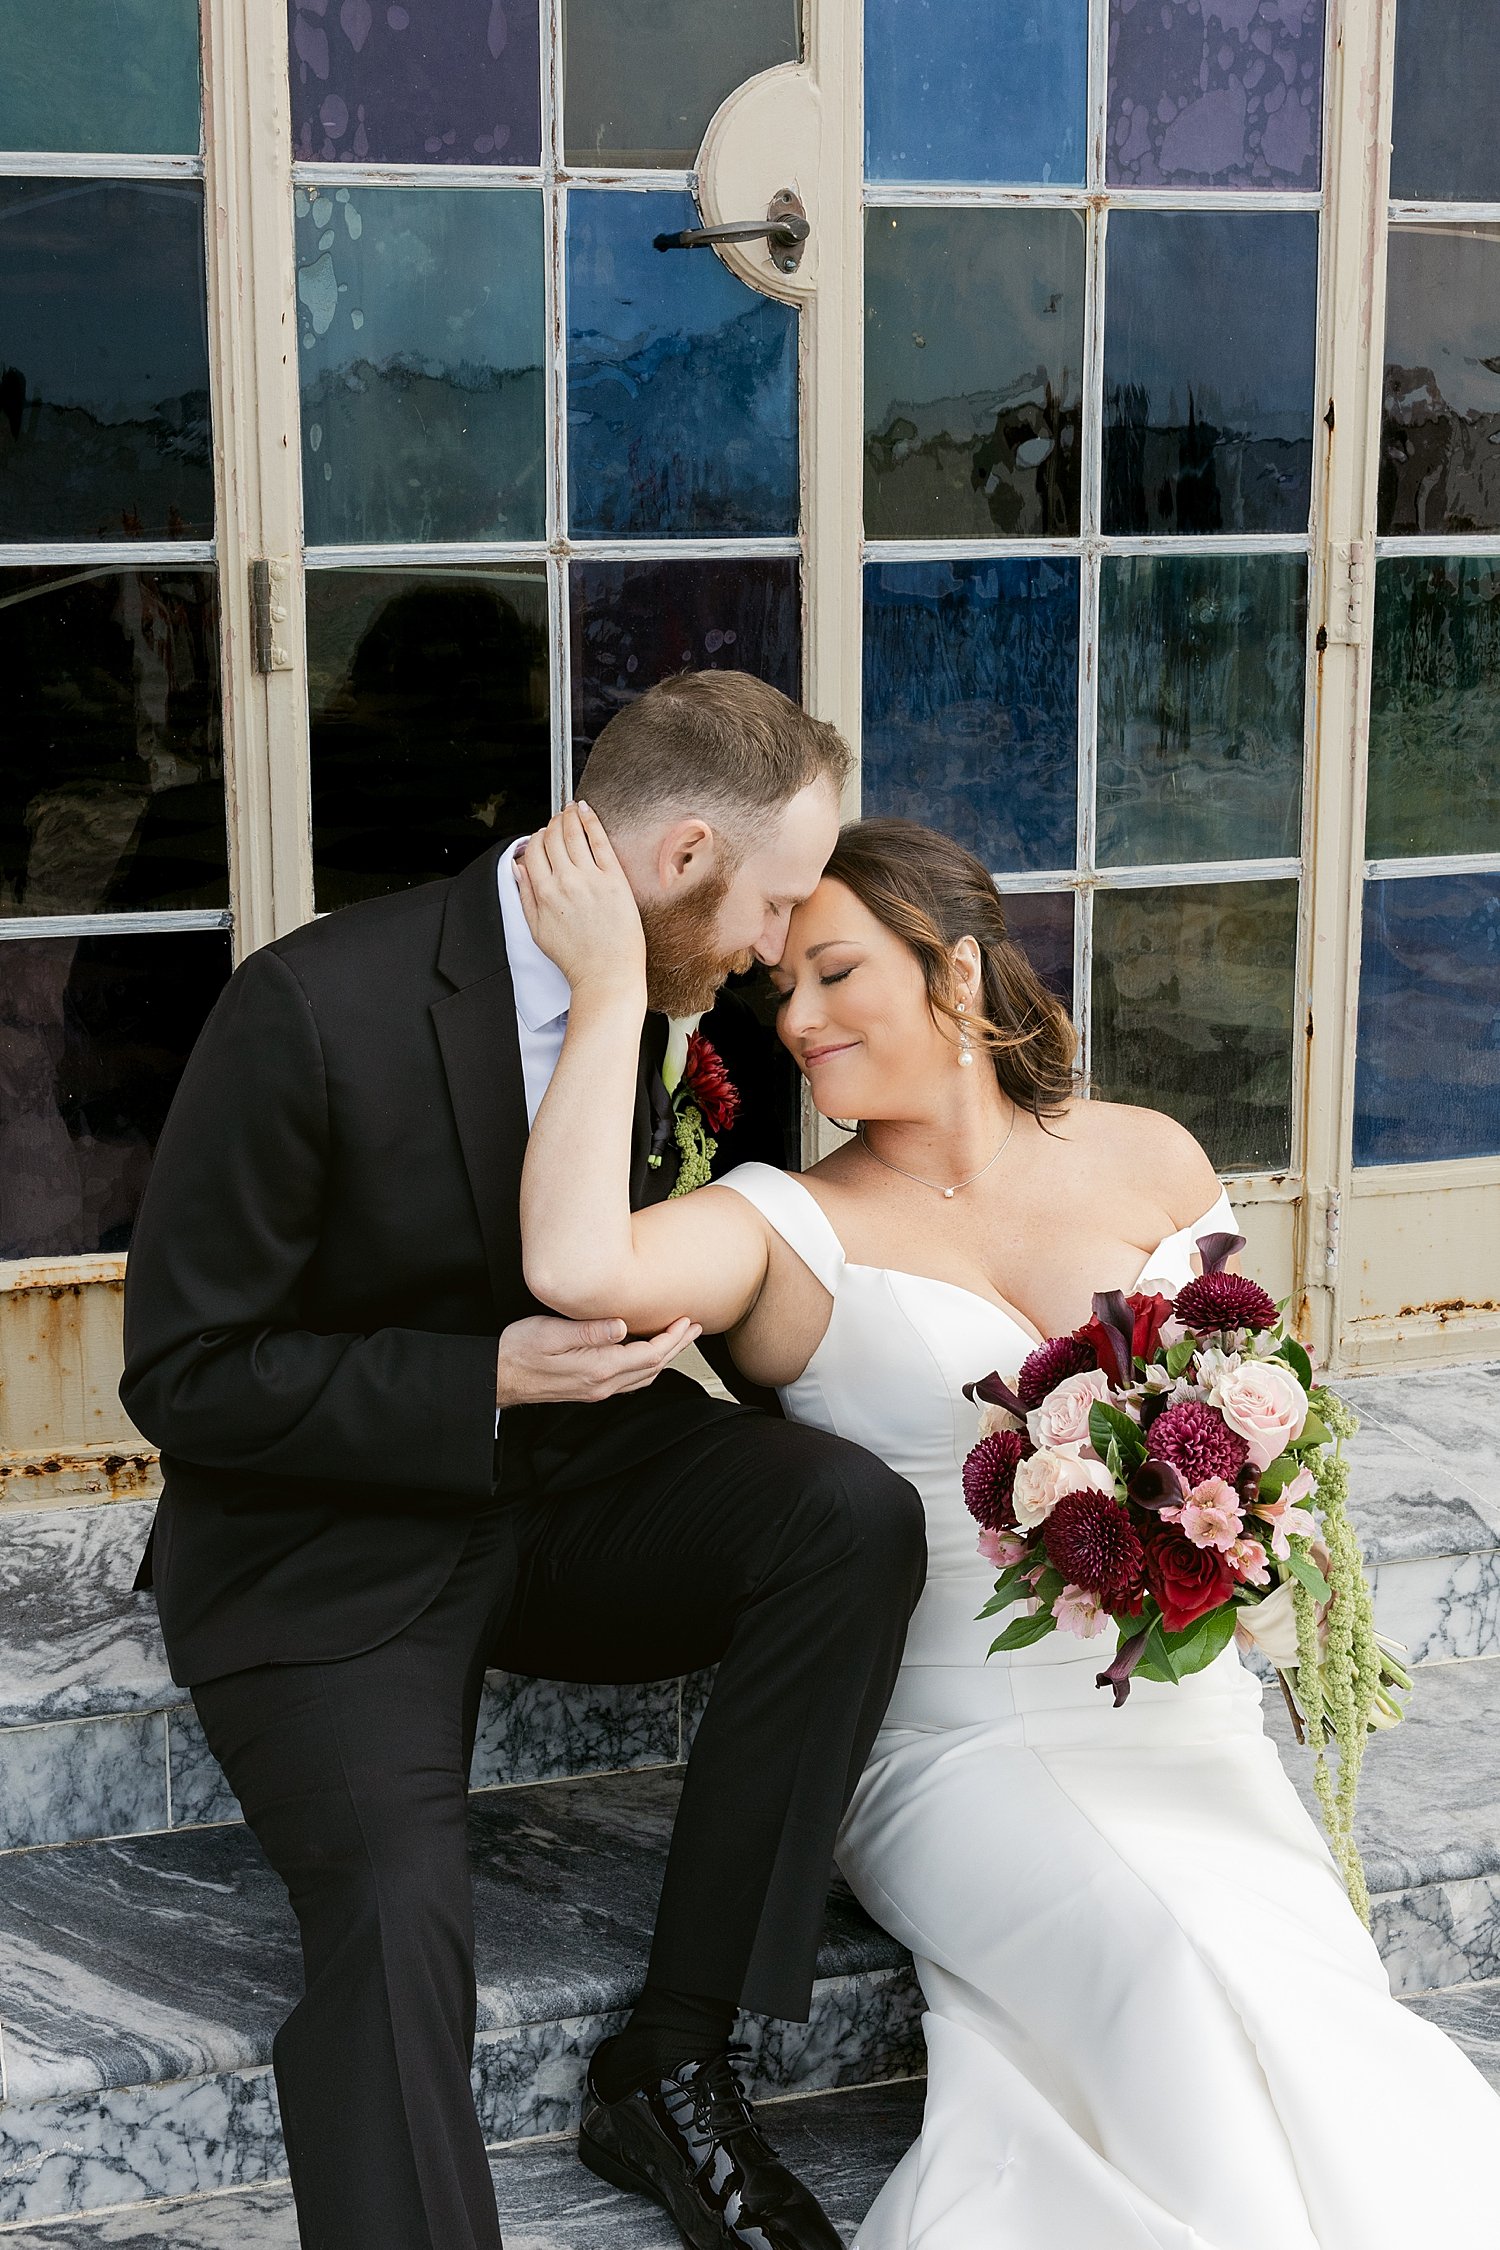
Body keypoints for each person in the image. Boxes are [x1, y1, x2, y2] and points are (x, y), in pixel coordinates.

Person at [516, 803, 1500, 2250]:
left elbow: (1260, 1405)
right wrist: (613, 991)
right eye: (777, 988)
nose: (797, 1019)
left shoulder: (1152, 1158)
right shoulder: (789, 1225)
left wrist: (1257, 1546)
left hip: (1188, 1726)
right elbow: (575, 1259)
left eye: (835, 972)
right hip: (954, 1748)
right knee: (1167, 1961)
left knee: (1311, 1996)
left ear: (958, 972)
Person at [119, 672, 928, 2250]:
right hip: (327, 1533)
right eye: (770, 903)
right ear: (685, 853)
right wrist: (474, 1376)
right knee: (399, 1915)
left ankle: (675, 2057)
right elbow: (181, 1372)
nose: (780, 949)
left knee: (850, 1520)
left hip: (581, 1490)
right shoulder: (311, 1006)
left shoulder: (699, 1014)